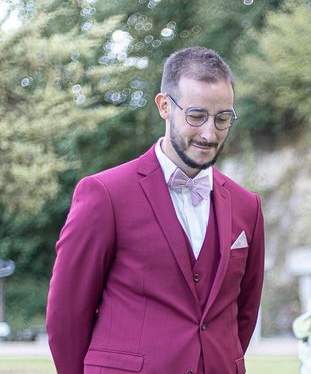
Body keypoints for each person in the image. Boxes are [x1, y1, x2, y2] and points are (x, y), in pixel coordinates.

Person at [46, 47, 265, 374]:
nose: (210, 133)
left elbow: (244, 314)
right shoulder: (105, 194)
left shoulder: (248, 205)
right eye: (196, 116)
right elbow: (66, 315)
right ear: (165, 106)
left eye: (222, 118)